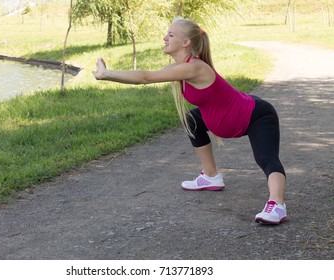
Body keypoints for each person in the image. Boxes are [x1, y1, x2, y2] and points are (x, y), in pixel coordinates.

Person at [92, 17, 288, 225]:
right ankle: (211, 176)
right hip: (236, 114)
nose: (164, 38)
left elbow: (145, 77)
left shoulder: (195, 68)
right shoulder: (180, 68)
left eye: (171, 34)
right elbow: (146, 76)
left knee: (266, 158)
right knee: (192, 119)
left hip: (257, 115)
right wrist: (109, 74)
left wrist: (106, 74)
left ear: (186, 42)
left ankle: (277, 204)